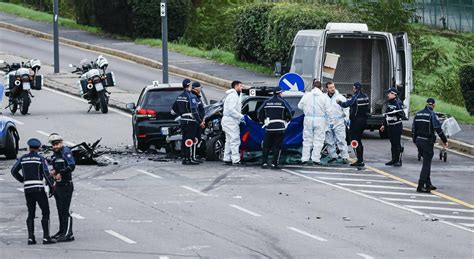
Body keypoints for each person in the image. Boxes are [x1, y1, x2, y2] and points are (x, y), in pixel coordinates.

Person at [11, 138, 56, 245]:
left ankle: (31, 238)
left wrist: (22, 179)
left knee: (31, 213)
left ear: (29, 147)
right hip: (39, 188)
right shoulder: (40, 158)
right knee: (45, 211)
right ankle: (46, 237)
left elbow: (13, 171)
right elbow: (46, 173)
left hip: (27, 189)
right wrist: (51, 187)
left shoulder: (23, 158)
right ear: (39, 148)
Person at [412, 98, 448, 193]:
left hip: (419, 141)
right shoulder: (432, 115)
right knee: (426, 164)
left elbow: (413, 129)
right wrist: (445, 140)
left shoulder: (418, 114)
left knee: (426, 162)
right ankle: (420, 185)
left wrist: (415, 140)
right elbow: (438, 129)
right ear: (434, 105)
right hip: (427, 142)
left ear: (426, 104)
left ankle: (428, 184)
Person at [48, 133, 76, 242]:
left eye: (57, 144)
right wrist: (54, 172)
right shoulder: (55, 155)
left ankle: (69, 233)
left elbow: (72, 166)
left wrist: (61, 173)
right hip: (58, 186)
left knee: (65, 210)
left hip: (66, 185)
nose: (55, 146)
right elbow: (57, 167)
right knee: (60, 210)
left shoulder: (66, 152)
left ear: (61, 143)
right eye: (53, 145)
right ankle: (61, 231)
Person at [257, 87, 293, 169]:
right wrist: (287, 120)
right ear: (279, 93)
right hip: (280, 128)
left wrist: (263, 121)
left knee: (266, 146)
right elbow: (290, 112)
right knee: (277, 146)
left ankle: (264, 163)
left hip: (269, 127)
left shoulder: (267, 102)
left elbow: (259, 112)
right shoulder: (283, 102)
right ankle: (274, 164)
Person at [337, 82, 369, 167]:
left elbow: (345, 104)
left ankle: (360, 160)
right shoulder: (366, 96)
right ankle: (360, 159)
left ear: (355, 88)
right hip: (364, 121)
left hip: (356, 122)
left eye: (353, 87)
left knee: (355, 141)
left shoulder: (355, 97)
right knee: (359, 140)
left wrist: (339, 102)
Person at [298, 80, 329, 165]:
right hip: (320, 120)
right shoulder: (324, 97)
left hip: (308, 119)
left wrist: (306, 109)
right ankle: (315, 159)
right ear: (321, 88)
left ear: (312, 87)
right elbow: (328, 110)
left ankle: (305, 158)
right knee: (318, 140)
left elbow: (299, 106)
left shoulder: (306, 95)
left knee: (307, 140)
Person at [172, 79, 201, 165]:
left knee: (185, 139)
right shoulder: (191, 96)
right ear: (189, 86)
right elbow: (194, 111)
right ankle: (190, 158)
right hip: (191, 121)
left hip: (183, 121)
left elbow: (174, 109)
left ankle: (184, 158)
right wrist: (199, 121)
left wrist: (181, 114)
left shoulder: (180, 96)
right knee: (190, 140)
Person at [325, 81, 350, 164]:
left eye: (333, 87)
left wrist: (346, 119)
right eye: (330, 88)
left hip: (339, 121)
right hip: (328, 121)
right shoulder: (324, 98)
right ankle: (333, 156)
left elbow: (346, 108)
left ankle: (345, 157)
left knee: (341, 139)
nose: (332, 89)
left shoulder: (340, 97)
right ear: (327, 89)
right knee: (329, 141)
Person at [380, 88, 406, 167]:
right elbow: (387, 114)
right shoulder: (390, 102)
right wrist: (383, 124)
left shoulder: (398, 102)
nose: (388, 95)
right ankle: (393, 159)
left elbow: (402, 115)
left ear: (394, 94)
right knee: (392, 143)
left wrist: (396, 113)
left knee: (396, 143)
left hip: (396, 125)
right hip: (390, 125)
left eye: (389, 93)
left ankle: (397, 160)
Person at [222, 80, 244, 166]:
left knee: (229, 140)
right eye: (240, 86)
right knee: (235, 140)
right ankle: (235, 159)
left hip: (229, 120)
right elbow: (231, 110)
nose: (241, 88)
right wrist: (240, 116)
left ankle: (227, 158)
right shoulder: (233, 96)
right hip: (231, 121)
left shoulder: (234, 95)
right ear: (236, 86)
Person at [191, 81, 205, 163]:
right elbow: (195, 111)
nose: (200, 89)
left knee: (196, 139)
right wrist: (200, 121)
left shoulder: (196, 96)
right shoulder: (193, 97)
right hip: (194, 122)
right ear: (196, 88)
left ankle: (193, 156)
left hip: (197, 121)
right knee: (194, 139)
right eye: (200, 88)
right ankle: (192, 157)